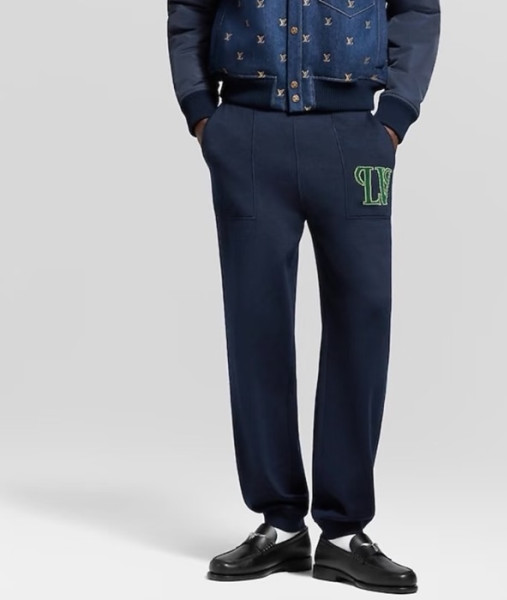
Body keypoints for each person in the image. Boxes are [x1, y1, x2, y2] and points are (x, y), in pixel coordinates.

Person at [167, 0, 440, 593]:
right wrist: (200, 111)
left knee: (364, 316)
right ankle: (281, 522)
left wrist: (396, 114)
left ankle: (343, 533)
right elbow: (188, 10)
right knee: (256, 322)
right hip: (246, 133)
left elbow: (417, 8)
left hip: (354, 137)